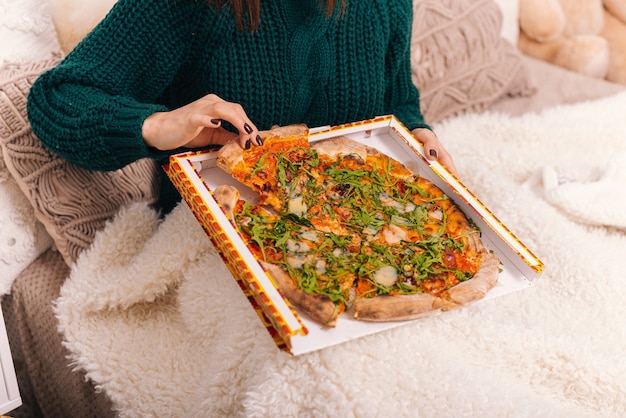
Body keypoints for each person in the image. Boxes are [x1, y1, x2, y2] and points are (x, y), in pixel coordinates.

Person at [27, 0, 456, 214]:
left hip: (351, 217)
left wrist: (417, 131)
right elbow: (57, 97)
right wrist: (154, 125)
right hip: (218, 234)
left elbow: (398, 96)